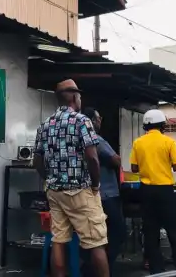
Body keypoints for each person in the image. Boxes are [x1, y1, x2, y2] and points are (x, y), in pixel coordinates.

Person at [33, 79, 110, 277]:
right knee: (96, 242)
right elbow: (92, 158)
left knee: (59, 239)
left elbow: (37, 161)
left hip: (54, 191)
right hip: (80, 190)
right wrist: (95, 184)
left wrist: (50, 178)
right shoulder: (82, 120)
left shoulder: (45, 124)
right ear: (75, 97)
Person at [129, 109, 176, 275]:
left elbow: (134, 168)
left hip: (146, 191)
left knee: (150, 231)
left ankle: (157, 269)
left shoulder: (138, 143)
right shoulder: (168, 142)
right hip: (166, 191)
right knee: (174, 230)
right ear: (162, 125)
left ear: (146, 125)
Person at [82, 107, 126, 276]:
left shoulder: (77, 139)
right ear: (92, 121)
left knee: (94, 235)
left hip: (89, 194)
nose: (100, 121)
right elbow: (115, 160)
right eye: (98, 118)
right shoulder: (96, 139)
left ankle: (94, 267)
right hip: (105, 194)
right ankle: (100, 268)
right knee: (117, 232)